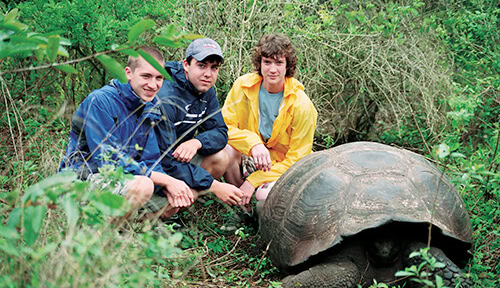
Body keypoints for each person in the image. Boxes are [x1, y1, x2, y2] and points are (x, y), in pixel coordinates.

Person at [59, 47, 193, 220]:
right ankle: (100, 237)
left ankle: (128, 230)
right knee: (143, 185)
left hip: (123, 179)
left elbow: (151, 159)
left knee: (174, 201)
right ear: (128, 73)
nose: (153, 85)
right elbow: (107, 159)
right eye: (146, 76)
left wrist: (168, 185)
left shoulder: (149, 107)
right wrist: (164, 180)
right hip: (81, 180)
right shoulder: (100, 101)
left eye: (159, 78)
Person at [221, 33, 317, 227]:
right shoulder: (243, 86)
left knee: (264, 196)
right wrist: (253, 143)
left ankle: (266, 226)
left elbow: (297, 159)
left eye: (279, 63)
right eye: (267, 62)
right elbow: (224, 127)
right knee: (225, 151)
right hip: (251, 156)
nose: (272, 70)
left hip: (282, 167)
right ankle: (242, 211)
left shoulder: (302, 105)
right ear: (260, 63)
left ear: (287, 66)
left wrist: (254, 180)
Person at [155, 38, 244, 208]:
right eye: (202, 66)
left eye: (214, 68)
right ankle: (150, 218)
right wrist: (215, 186)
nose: (208, 74)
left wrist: (197, 142)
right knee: (170, 206)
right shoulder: (166, 96)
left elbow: (220, 131)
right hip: (155, 165)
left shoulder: (206, 90)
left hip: (177, 158)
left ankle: (184, 202)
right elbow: (164, 160)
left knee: (220, 156)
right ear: (186, 65)